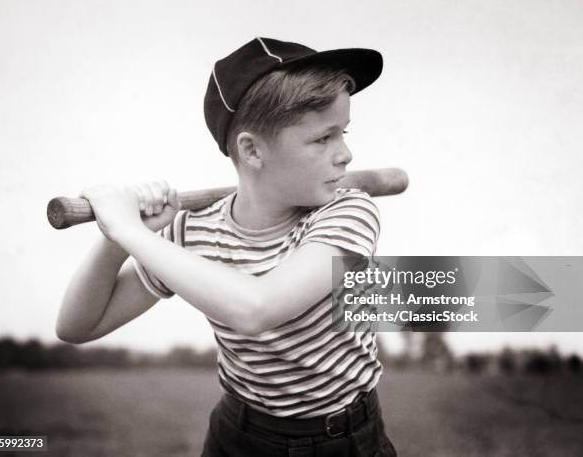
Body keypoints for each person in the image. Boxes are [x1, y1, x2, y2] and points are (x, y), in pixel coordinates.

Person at [56, 37, 397, 456]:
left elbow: (257, 309)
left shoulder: (347, 212)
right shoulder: (190, 234)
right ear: (252, 150)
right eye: (323, 138)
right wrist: (116, 237)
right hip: (241, 437)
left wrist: (134, 234)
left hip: (345, 438)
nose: (346, 155)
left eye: (342, 133)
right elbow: (77, 327)